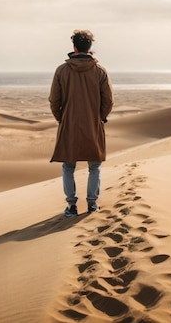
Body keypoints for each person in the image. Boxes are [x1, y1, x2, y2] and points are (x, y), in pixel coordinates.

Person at [49, 29, 114, 217]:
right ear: (90, 47)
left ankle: (71, 206)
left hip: (69, 125)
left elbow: (54, 101)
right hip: (93, 125)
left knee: (68, 167)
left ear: (74, 47)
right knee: (94, 167)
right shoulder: (99, 70)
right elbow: (108, 101)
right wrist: (99, 117)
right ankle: (92, 205)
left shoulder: (61, 70)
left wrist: (62, 119)